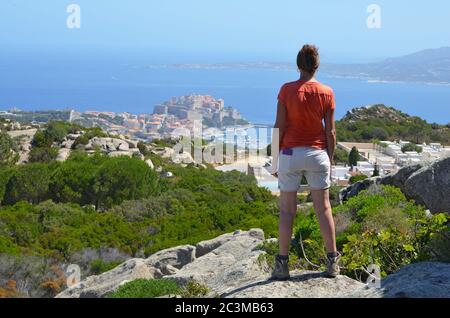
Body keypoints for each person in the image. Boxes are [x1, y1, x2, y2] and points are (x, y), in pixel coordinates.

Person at [271, 44, 340, 280]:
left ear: (298, 65)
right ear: (316, 65)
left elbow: (278, 127)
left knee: (287, 211)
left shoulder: (286, 90)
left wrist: (273, 162)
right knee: (323, 209)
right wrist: (329, 160)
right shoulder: (327, 92)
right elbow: (330, 132)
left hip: (289, 154)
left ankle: (282, 265)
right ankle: (332, 262)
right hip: (317, 154)